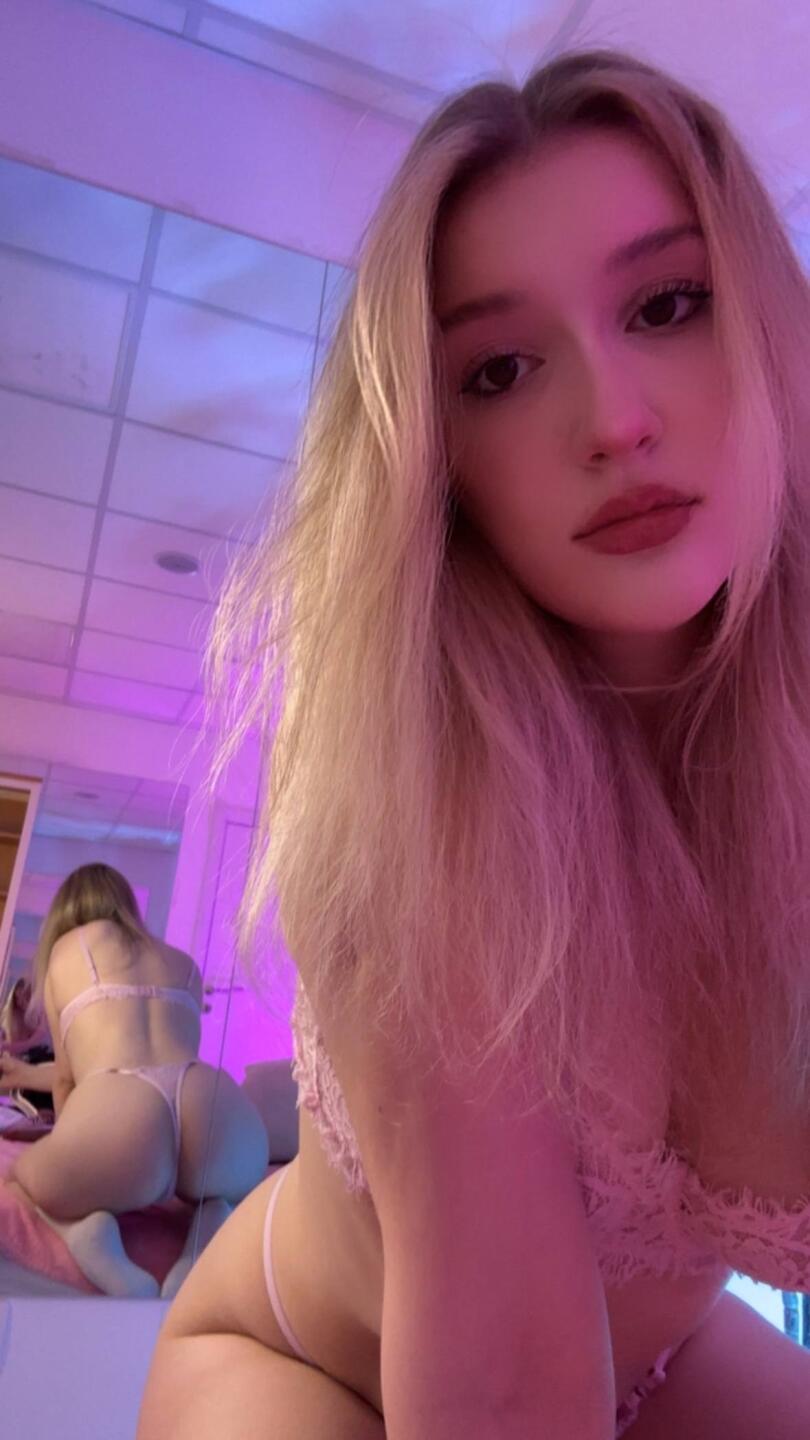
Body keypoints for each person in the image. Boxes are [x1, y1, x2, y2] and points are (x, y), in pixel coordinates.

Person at [138, 45, 810, 1440]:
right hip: (297, 1354)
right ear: (439, 468)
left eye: (667, 304)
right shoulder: (428, 801)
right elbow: (506, 1406)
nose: (613, 422)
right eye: (499, 369)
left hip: (664, 1359)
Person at [5, 863, 269, 1298]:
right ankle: (211, 1218)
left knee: (24, 1172)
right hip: (216, 1109)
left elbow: (68, 1081)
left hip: (124, 1115)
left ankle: (86, 1235)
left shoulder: (67, 951)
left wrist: (75, 1152)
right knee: (224, 1181)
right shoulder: (182, 963)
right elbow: (168, 1064)